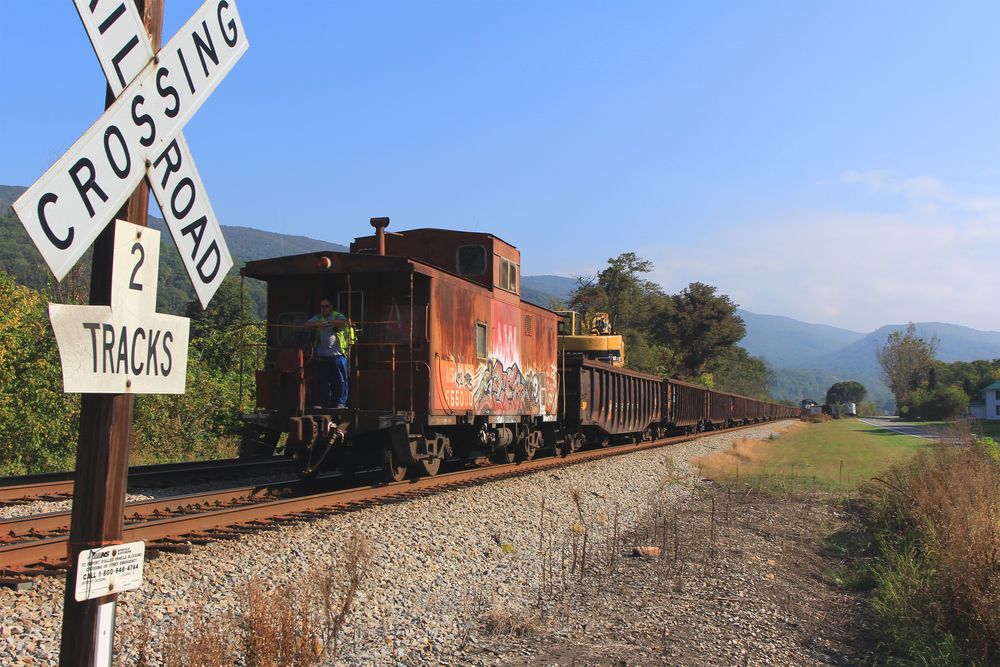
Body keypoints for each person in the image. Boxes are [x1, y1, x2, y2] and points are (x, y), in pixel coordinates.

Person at [306, 299, 352, 408]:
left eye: (326, 306)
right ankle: (322, 403)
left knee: (341, 379)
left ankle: (341, 403)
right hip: (322, 355)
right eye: (322, 306)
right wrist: (317, 324)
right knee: (322, 380)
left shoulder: (337, 316)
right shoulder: (318, 317)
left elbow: (346, 323)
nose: (324, 308)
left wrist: (329, 323)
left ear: (331, 307)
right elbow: (306, 324)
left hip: (338, 354)